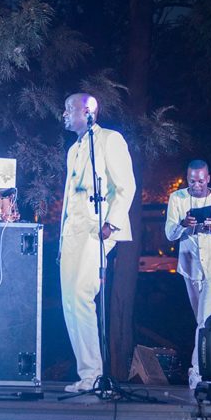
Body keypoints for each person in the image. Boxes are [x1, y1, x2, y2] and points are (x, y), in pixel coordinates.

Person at [58, 93, 136, 393]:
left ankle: (93, 374)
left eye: (69, 109)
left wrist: (111, 222)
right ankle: (86, 374)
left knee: (81, 295)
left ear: (88, 112)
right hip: (72, 234)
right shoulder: (73, 149)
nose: (64, 114)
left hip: (95, 230)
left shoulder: (109, 140)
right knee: (69, 303)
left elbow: (126, 185)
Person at [164, 159, 211, 389]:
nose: (196, 185)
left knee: (206, 320)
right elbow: (169, 234)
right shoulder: (177, 198)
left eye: (200, 180)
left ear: (208, 178)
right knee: (201, 320)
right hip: (190, 267)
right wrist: (183, 225)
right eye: (191, 180)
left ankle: (197, 371)